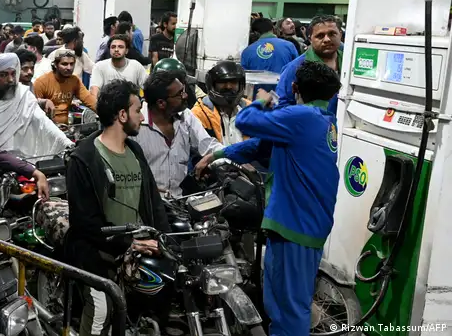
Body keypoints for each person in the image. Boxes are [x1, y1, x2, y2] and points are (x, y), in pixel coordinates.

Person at [206, 61, 341, 336]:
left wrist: (260, 100)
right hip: (298, 224)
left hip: (295, 225)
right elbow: (263, 146)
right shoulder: (323, 120)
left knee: (289, 309)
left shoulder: (301, 116)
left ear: (294, 88)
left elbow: (245, 121)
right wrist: (219, 154)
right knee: (278, 304)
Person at [65, 80, 169, 336]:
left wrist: (165, 240)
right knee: (101, 310)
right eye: (137, 110)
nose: (142, 117)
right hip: (97, 255)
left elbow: (153, 202)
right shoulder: (84, 158)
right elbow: (84, 222)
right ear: (122, 115)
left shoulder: (135, 151)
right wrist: (128, 243)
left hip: (136, 252)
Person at [0, 54, 73, 160]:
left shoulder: (22, 94)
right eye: (3, 75)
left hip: (21, 160)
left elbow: (43, 122)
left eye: (13, 74)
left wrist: (66, 144)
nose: (11, 80)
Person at [133, 70, 222, 197]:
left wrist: (229, 154)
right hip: (148, 202)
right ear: (161, 103)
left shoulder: (186, 116)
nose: (185, 96)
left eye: (183, 90)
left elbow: (208, 145)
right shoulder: (136, 125)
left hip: (181, 201)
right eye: (179, 94)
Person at [275, 14, 342, 115]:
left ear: (340, 34)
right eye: (320, 36)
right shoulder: (295, 68)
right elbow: (281, 104)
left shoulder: (350, 64)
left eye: (332, 34)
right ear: (310, 39)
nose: (327, 39)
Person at [191, 61, 248, 145]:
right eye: (222, 82)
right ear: (212, 85)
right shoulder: (199, 114)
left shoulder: (249, 108)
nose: (228, 86)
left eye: (234, 82)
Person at [33, 50, 97, 125]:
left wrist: (106, 113)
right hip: (46, 126)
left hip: (66, 126)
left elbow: (89, 100)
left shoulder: (74, 80)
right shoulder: (41, 82)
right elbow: (35, 111)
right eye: (64, 64)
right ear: (55, 65)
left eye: (72, 64)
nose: (69, 67)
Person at [241, 18, 299, 94]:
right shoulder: (289, 46)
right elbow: (297, 70)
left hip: (258, 97)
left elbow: (243, 78)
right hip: (284, 96)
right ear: (273, 29)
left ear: (255, 33)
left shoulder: (247, 51)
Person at [90, 35, 148, 99]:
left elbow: (148, 87)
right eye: (113, 47)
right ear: (109, 50)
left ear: (126, 51)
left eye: (120, 47)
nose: (116, 50)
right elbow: (94, 90)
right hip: (107, 104)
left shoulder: (136, 66)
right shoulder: (99, 66)